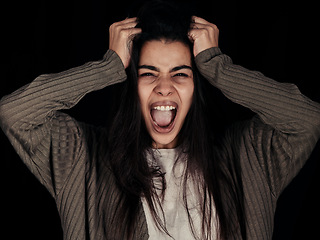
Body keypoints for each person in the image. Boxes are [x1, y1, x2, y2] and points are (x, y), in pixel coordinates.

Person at [0, 1, 319, 239]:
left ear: (197, 86)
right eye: (148, 73)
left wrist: (218, 66)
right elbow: (15, 113)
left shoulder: (250, 156)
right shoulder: (84, 159)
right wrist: (107, 67)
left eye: (180, 74)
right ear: (131, 85)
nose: (164, 88)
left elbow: (307, 120)